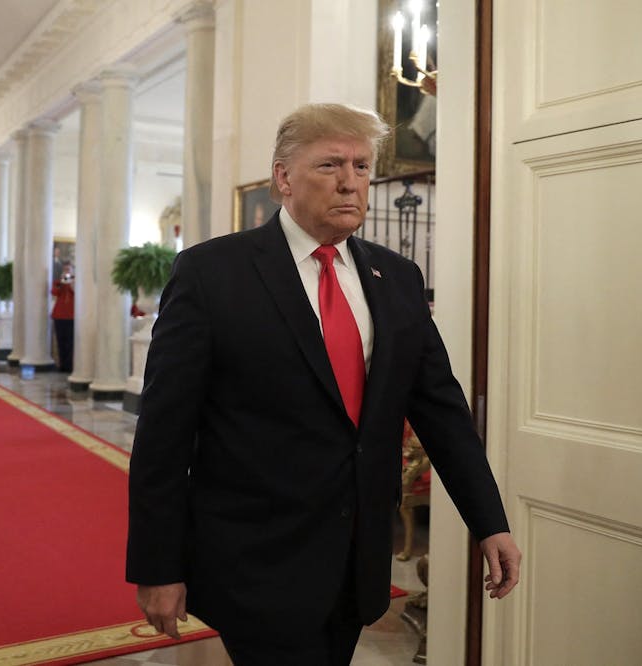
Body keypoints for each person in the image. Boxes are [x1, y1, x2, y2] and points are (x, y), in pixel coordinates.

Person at [125, 103, 520, 665]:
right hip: (255, 560)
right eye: (331, 164)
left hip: (356, 563)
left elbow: (442, 410)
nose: (350, 183)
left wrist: (489, 521)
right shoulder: (211, 275)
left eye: (362, 167)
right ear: (283, 178)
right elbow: (164, 434)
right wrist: (157, 565)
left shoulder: (397, 279)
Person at [50, 265, 74, 373]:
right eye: (65, 270)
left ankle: (69, 365)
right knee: (61, 341)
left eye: (68, 269)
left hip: (71, 316)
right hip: (59, 315)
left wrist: (70, 282)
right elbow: (54, 292)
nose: (66, 272)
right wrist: (61, 283)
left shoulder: (76, 281)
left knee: (70, 342)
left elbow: (75, 291)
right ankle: (62, 364)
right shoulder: (58, 282)